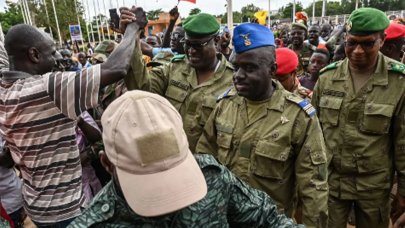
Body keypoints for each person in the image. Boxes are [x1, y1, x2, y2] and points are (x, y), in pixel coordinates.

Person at [68, 90, 303, 228]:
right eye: (149, 181)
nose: (168, 198)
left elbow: (269, 220)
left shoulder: (213, 177)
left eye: (172, 173)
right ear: (107, 164)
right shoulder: (95, 223)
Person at [0, 7, 146, 227]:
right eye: (51, 53)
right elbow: (117, 68)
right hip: (65, 211)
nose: (57, 60)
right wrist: (134, 28)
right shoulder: (47, 87)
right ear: (34, 55)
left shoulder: (5, 89)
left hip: (37, 207)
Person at [196, 23, 328, 228]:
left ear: (272, 70)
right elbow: (205, 162)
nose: (238, 75)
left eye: (249, 68)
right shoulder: (224, 105)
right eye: (236, 66)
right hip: (224, 219)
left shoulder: (298, 117)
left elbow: (314, 188)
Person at [311, 8, 405, 228]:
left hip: (373, 186)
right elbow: (312, 132)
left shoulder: (399, 82)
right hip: (331, 182)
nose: (358, 51)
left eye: (368, 43)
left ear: (382, 40)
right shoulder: (327, 78)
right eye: (351, 43)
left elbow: (403, 142)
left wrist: (403, 190)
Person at [125, 12, 234, 153]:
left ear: (217, 40)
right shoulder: (173, 69)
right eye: (187, 44)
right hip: (168, 158)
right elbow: (142, 90)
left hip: (208, 170)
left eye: (198, 45)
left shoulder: (233, 82)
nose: (191, 51)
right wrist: (131, 34)